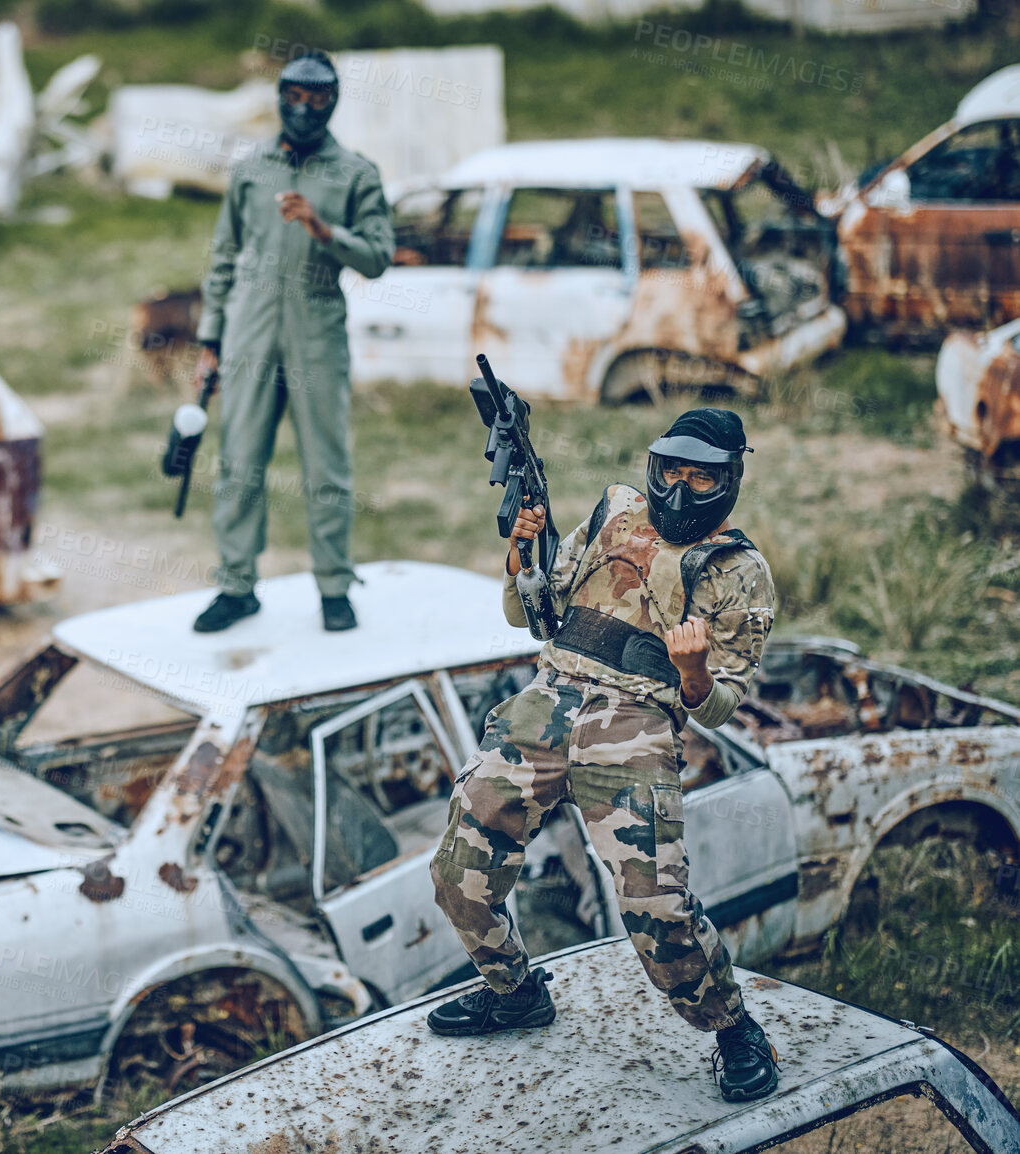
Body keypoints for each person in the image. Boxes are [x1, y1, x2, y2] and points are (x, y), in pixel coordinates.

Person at [426, 408, 784, 1104]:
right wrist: (519, 558)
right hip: (548, 694)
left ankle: (733, 1028)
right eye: (671, 471)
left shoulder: (740, 573)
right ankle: (512, 992)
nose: (680, 489)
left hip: (637, 719)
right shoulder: (614, 511)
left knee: (655, 904)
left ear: (728, 481)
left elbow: (718, 706)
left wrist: (693, 675)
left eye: (701, 477)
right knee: (456, 870)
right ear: (654, 465)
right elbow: (527, 614)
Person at [189, 51, 394, 635]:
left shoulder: (356, 173)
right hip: (247, 335)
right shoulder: (250, 167)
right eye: (294, 95)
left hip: (317, 336)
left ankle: (334, 586)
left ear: (334, 100)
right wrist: (210, 337)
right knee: (238, 464)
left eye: (319, 97)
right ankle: (235, 586)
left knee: (327, 467)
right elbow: (225, 255)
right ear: (279, 96)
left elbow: (379, 257)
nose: (305, 108)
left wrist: (323, 229)